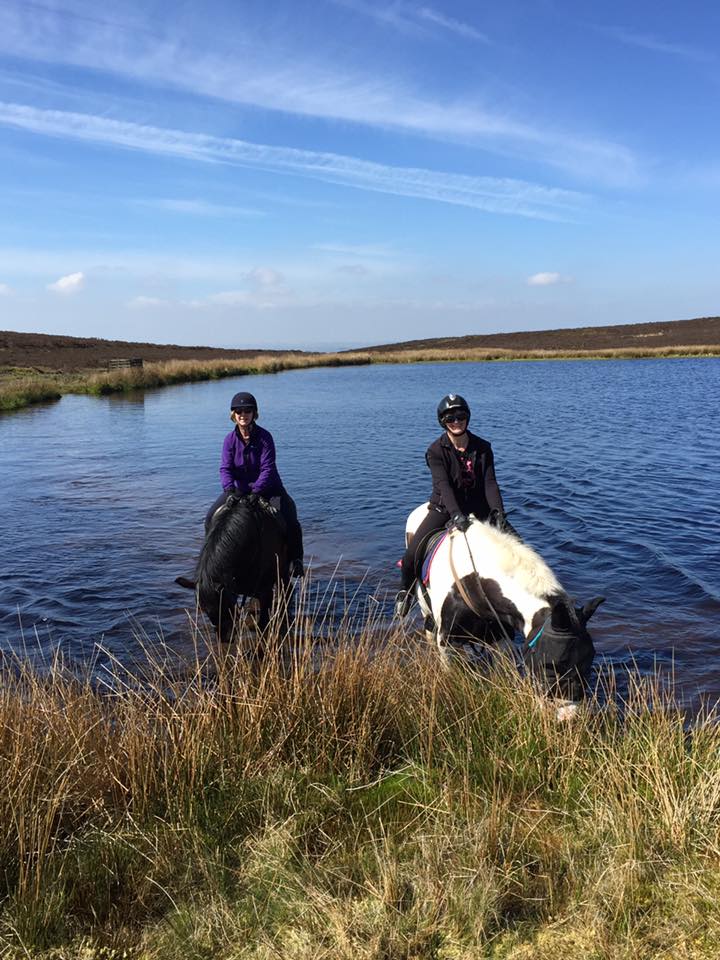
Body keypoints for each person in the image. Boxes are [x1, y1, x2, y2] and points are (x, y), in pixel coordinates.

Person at [395, 393, 505, 617]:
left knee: (518, 546)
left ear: (468, 417)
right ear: (442, 422)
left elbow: (490, 483)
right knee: (411, 556)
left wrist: (498, 513)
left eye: (460, 416)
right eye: (450, 418)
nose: (456, 421)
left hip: (479, 507)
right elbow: (443, 486)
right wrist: (455, 515)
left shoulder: (483, 447)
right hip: (444, 508)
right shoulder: (435, 451)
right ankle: (405, 594)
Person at [205, 391, 304, 577]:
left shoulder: (265, 437)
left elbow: (268, 468)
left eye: (247, 410)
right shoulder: (229, 440)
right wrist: (229, 490)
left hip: (269, 489)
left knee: (290, 515)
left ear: (254, 413)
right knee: (210, 517)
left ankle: (296, 560)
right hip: (238, 490)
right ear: (233, 414)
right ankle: (211, 563)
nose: (243, 414)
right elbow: (225, 468)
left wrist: (257, 492)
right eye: (239, 411)